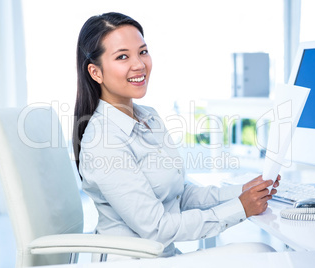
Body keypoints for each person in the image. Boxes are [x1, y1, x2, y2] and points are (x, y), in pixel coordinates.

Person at [73, 12, 280, 260]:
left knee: (262, 253)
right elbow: (156, 228)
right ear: (96, 72)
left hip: (163, 256)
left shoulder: (148, 117)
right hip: (132, 261)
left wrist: (241, 191)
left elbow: (180, 195)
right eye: (122, 56)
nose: (139, 64)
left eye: (143, 51)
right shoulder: (103, 142)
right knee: (262, 254)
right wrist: (239, 208)